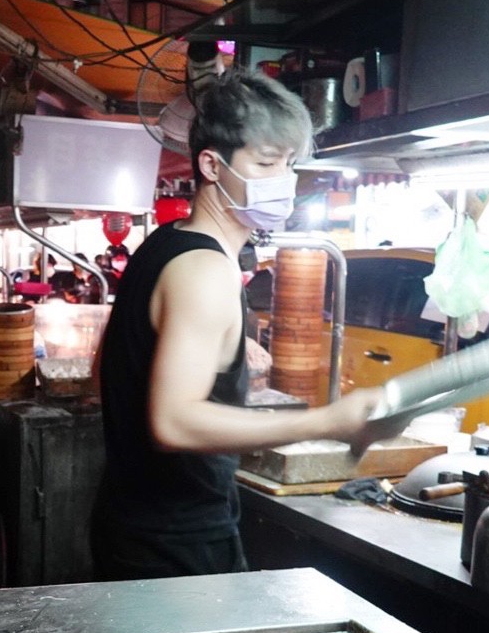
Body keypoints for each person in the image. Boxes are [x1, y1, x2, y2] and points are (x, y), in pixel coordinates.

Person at [90, 68, 400, 582]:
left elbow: (104, 370)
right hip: (176, 544)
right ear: (212, 165)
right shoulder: (207, 270)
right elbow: (172, 422)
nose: (285, 181)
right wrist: (329, 421)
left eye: (289, 164)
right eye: (265, 162)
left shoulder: (162, 246)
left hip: (130, 525)